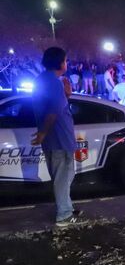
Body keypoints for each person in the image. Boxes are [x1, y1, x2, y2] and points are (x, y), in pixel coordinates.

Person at [31, 47, 83, 226]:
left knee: (64, 174)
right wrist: (43, 133)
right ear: (60, 62)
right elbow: (53, 112)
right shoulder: (53, 82)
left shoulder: (43, 80)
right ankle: (64, 214)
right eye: (66, 60)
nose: (66, 63)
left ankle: (66, 205)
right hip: (59, 137)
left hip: (54, 138)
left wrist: (66, 95)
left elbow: (53, 105)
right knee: (64, 175)